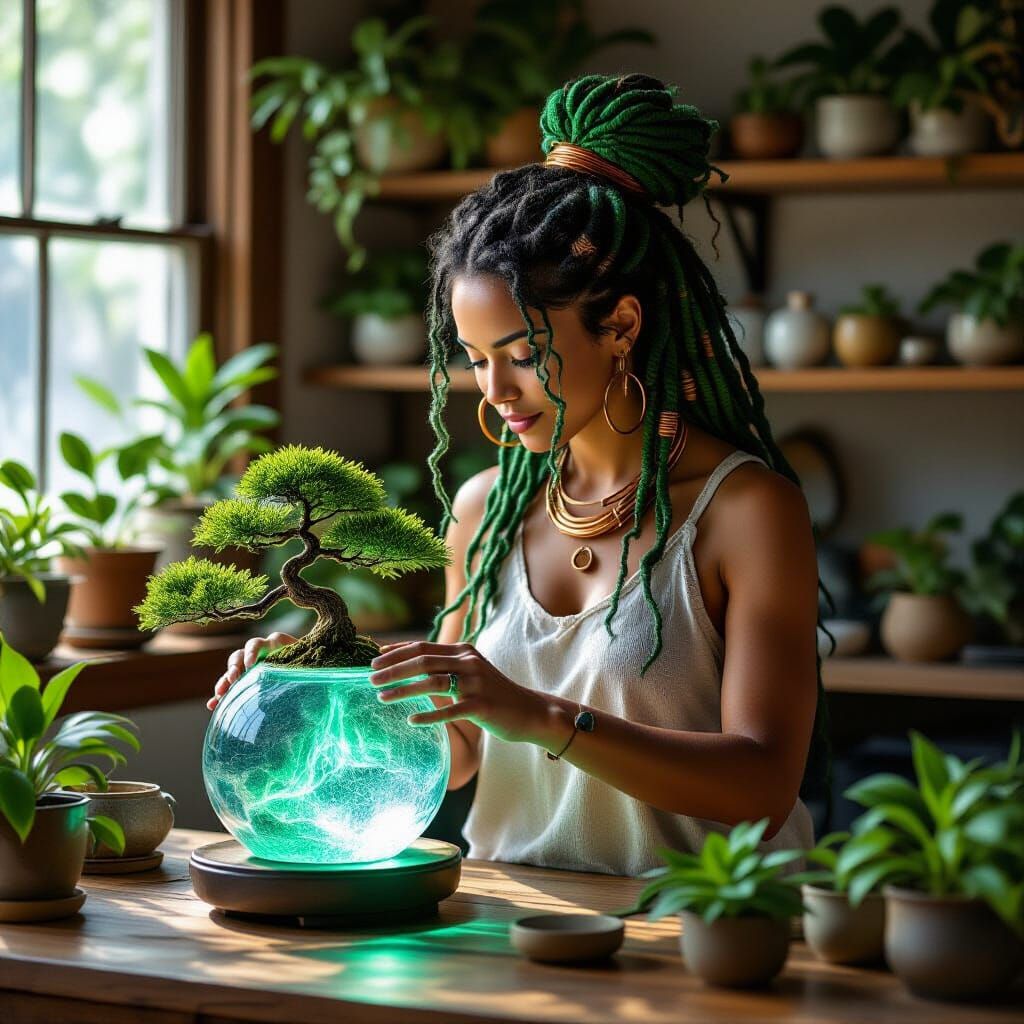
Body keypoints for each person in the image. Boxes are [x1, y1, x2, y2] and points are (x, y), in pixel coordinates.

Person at [210, 73, 833, 877]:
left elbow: (762, 784)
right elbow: (458, 749)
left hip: (708, 934)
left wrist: (537, 715)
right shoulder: (486, 510)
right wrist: (321, 686)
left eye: (524, 357)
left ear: (621, 326)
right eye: (475, 360)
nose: (496, 392)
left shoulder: (746, 512)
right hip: (522, 927)